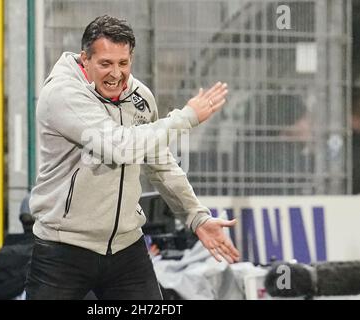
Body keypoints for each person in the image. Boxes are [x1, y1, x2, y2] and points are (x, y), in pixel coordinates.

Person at [25, 15, 240, 300]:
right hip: (63, 247)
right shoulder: (62, 94)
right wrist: (184, 118)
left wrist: (196, 216)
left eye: (123, 63)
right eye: (105, 64)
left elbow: (161, 165)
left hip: (126, 248)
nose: (116, 74)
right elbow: (118, 146)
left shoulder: (140, 96)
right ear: (84, 59)